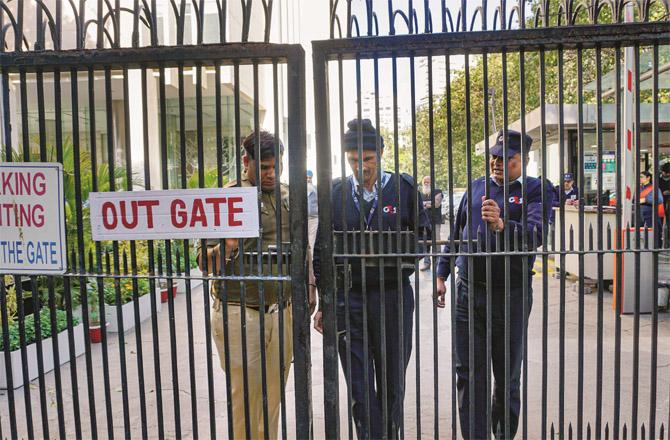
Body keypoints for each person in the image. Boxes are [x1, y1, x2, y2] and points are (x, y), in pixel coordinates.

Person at [313, 118, 431, 439]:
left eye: (367, 159)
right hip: (348, 298)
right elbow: (321, 251)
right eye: (353, 159)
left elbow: (424, 239)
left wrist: (392, 253)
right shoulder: (334, 192)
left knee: (393, 381)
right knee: (359, 387)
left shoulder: (404, 189)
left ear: (380, 154)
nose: (360, 166)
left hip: (393, 297)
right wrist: (325, 301)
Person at [435, 130, 553, 439]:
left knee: (506, 376)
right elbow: (458, 234)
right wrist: (442, 273)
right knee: (468, 373)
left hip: (511, 293)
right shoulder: (476, 189)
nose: (497, 163)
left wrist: (503, 225)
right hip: (470, 291)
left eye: (506, 159)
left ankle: (502, 435)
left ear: (524, 160)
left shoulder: (536, 190)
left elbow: (536, 235)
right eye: (495, 157)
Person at [198, 130, 315, 440]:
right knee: (246, 399)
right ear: (246, 162)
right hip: (240, 313)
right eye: (264, 167)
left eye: (276, 166)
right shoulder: (227, 198)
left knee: (273, 396)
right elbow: (204, 264)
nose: (271, 174)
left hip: (282, 311)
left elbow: (302, 249)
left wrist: (311, 287)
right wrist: (228, 246)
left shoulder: (290, 195)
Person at [419, 175, 443, 271]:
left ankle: (438, 263)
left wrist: (425, 204)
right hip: (424, 222)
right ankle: (426, 263)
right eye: (425, 181)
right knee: (426, 242)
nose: (426, 183)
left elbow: (436, 204)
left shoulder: (438, 191)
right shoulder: (420, 194)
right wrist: (429, 203)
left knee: (436, 242)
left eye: (428, 181)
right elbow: (418, 205)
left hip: (435, 221)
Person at [637, 170, 664, 244]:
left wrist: (646, 200)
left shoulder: (654, 188)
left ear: (648, 178)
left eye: (642, 177)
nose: (640, 178)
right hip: (640, 216)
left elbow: (660, 200)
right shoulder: (638, 188)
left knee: (654, 236)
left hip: (651, 215)